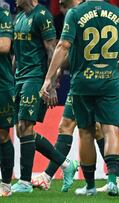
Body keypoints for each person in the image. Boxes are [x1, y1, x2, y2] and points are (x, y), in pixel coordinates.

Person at [40, 0, 119, 196]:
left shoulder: (75, 13)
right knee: (111, 130)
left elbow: (63, 46)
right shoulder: (118, 14)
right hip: (109, 81)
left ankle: (90, 186)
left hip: (83, 82)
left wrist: (48, 78)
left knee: (85, 132)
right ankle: (113, 180)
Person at [11, 0, 78, 193]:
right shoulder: (20, 17)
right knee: (22, 131)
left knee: (26, 126)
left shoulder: (42, 16)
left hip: (36, 78)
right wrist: (11, 79)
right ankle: (66, 164)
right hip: (19, 79)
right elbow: (17, 53)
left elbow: (52, 49)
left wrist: (53, 84)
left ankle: (24, 182)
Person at [0, 6, 14, 197]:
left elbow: (4, 45)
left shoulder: (2, 13)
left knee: (2, 135)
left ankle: (6, 184)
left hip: (2, 84)